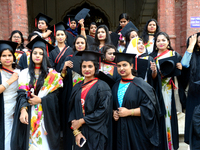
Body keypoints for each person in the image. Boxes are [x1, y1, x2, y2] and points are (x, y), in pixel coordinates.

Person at [11, 36, 62, 149]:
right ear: (31, 55)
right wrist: (23, 110)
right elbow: (21, 93)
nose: (38, 55)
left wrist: (41, 100)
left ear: (44, 56)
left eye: (40, 53)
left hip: (46, 116)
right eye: (35, 53)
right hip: (29, 114)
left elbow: (55, 96)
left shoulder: (52, 74)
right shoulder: (24, 73)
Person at [112, 52, 160, 150]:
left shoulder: (142, 85)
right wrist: (113, 113)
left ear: (132, 66)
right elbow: (111, 106)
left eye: (125, 65)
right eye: (119, 66)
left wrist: (129, 112)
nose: (121, 68)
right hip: (120, 130)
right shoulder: (115, 86)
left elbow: (150, 109)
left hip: (137, 131)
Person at [68, 50, 112, 150]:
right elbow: (72, 110)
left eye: (90, 66)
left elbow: (103, 111)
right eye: (84, 66)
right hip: (80, 133)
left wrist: (82, 121)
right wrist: (76, 132)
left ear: (95, 67)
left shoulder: (102, 86)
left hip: (96, 132)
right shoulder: (77, 87)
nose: (87, 69)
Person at [150, 32, 182, 150]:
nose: (161, 42)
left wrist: (180, 68)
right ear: (155, 43)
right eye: (158, 41)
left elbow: (181, 75)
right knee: (159, 118)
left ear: (168, 42)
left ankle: (170, 145)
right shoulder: (152, 57)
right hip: (158, 92)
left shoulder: (174, 55)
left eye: (163, 40)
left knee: (169, 117)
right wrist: (153, 72)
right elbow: (151, 79)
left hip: (170, 92)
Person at [59, 35, 87, 150]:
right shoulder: (68, 58)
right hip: (71, 95)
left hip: (86, 96)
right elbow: (61, 79)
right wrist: (64, 68)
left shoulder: (90, 59)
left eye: (82, 43)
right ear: (74, 45)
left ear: (86, 45)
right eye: (77, 43)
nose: (80, 45)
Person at [181, 33, 200, 146]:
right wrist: (190, 46)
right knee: (194, 126)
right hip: (194, 95)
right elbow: (184, 64)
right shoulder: (193, 56)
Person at [0, 41, 19, 150]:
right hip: (3, 110)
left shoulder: (20, 71)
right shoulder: (1, 73)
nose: (7, 58)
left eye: (9, 55)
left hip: (17, 110)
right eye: (3, 56)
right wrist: (10, 81)